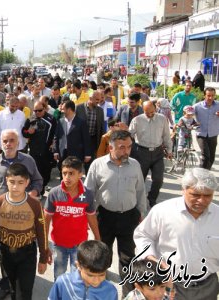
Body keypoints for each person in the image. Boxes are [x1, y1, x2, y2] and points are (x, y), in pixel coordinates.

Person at [134, 168, 219, 300]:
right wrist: (151, 258)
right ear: (183, 189)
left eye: (207, 196)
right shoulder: (163, 211)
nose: (201, 201)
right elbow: (143, 235)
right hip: (171, 285)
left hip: (208, 286)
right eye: (195, 195)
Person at [0, 129, 42, 299]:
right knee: (4, 250)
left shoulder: (28, 161)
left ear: (18, 142)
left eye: (12, 140)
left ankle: (22, 285)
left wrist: (32, 194)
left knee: (22, 249)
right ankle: (6, 286)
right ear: (1, 143)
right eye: (5, 141)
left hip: (22, 215)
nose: (8, 144)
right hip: (0, 213)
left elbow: (38, 181)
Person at [85, 130, 147, 295]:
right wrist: (86, 218)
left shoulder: (135, 165)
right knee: (102, 257)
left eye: (129, 147)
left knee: (128, 259)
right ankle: (102, 293)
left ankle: (128, 295)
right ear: (110, 147)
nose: (126, 151)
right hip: (105, 217)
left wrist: (142, 213)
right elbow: (88, 193)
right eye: (121, 147)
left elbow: (141, 191)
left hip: (129, 217)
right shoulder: (97, 165)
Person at [44, 156, 100, 281]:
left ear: (80, 174)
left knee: (78, 279)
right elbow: (46, 220)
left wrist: (97, 239)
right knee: (60, 278)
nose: (67, 177)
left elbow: (91, 218)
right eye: (64, 173)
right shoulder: (54, 193)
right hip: (58, 244)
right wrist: (44, 246)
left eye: (71, 173)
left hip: (80, 245)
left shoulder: (88, 194)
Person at [129, 101, 173, 207]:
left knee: (158, 179)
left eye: (152, 112)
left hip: (158, 152)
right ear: (143, 110)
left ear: (156, 108)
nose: (149, 114)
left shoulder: (162, 119)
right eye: (147, 112)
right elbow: (129, 135)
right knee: (139, 180)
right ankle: (136, 201)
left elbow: (166, 136)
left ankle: (152, 198)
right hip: (141, 153)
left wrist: (170, 150)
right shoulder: (137, 120)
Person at [48, 240, 118, 300]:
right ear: (78, 265)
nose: (96, 280)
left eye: (101, 275)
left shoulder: (110, 291)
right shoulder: (62, 283)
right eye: (90, 275)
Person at [22, 101, 56, 194]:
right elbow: (23, 132)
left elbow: (56, 133)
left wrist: (54, 145)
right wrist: (29, 132)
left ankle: (43, 186)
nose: (37, 113)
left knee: (46, 171)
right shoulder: (30, 119)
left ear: (44, 109)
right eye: (35, 110)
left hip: (47, 150)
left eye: (39, 110)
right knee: (36, 171)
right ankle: (38, 191)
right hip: (34, 150)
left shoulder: (51, 119)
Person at [53, 100, 91, 170]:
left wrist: (87, 154)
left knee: (75, 175)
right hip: (62, 154)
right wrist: (55, 151)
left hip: (76, 155)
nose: (61, 111)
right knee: (63, 175)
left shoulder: (81, 122)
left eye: (63, 109)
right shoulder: (60, 121)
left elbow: (86, 139)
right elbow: (56, 137)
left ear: (69, 110)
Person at [75, 91, 105, 171]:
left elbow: (101, 127)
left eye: (99, 99)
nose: (98, 102)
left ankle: (89, 178)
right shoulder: (78, 108)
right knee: (78, 162)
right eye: (97, 99)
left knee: (90, 162)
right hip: (80, 140)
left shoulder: (100, 110)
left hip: (93, 140)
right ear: (90, 98)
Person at [193, 87, 219, 170]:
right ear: (204, 95)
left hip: (213, 135)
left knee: (211, 158)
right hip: (201, 134)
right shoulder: (197, 106)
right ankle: (201, 176)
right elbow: (188, 113)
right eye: (208, 95)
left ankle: (206, 175)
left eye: (212, 95)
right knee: (206, 157)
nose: (210, 98)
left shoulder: (218, 105)